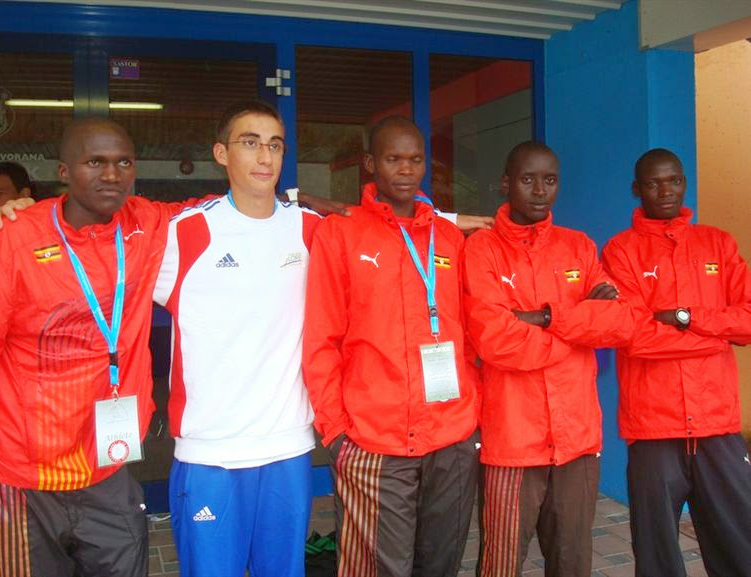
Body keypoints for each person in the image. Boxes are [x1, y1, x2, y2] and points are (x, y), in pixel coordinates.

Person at [0, 115, 348, 577]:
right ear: (63, 171)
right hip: (30, 468)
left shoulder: (153, 226)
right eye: (95, 162)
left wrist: (301, 198)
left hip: (113, 466)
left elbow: (356, 226)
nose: (110, 174)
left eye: (122, 163)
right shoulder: (17, 239)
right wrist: (14, 212)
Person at [303, 116, 480, 577]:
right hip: (373, 440)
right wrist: (337, 433)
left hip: (451, 436)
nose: (406, 169)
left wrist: (471, 415)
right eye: (393, 158)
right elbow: (321, 339)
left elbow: (470, 328)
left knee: (440, 565)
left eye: (415, 159)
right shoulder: (340, 233)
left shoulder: (449, 238)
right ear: (369, 164)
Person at [152, 100, 319, 577]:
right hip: (211, 454)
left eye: (274, 145)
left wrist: (454, 222)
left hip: (287, 447)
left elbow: (383, 238)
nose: (264, 157)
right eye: (250, 143)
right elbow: (98, 246)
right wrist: (18, 213)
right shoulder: (185, 233)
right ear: (221, 153)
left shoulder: (309, 229)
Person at [464, 141, 635, 577]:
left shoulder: (578, 247)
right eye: (527, 179)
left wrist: (544, 317)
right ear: (505, 183)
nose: (540, 190)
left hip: (577, 439)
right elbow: (496, 341)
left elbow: (619, 324)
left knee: (572, 562)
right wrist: (580, 330)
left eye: (550, 180)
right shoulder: (482, 250)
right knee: (500, 564)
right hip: (512, 443)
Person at [601, 148, 751, 577]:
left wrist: (688, 319)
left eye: (674, 181)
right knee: (657, 553)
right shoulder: (621, 251)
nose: (665, 190)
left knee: (740, 542)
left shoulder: (717, 244)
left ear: (685, 183)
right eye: (653, 183)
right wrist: (716, 336)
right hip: (653, 426)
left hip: (716, 423)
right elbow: (631, 335)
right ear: (636, 189)